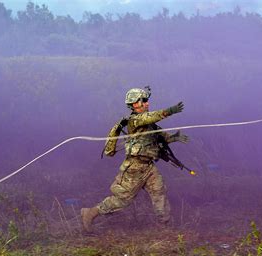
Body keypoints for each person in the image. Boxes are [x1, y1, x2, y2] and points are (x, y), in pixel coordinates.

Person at [81, 87, 188, 233]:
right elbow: (151, 117)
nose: (147, 103)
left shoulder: (149, 124)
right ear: (135, 104)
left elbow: (161, 136)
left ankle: (165, 227)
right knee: (123, 199)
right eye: (143, 101)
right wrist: (169, 111)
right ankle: (91, 212)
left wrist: (175, 137)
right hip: (134, 167)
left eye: (146, 100)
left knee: (159, 192)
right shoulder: (135, 120)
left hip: (149, 167)